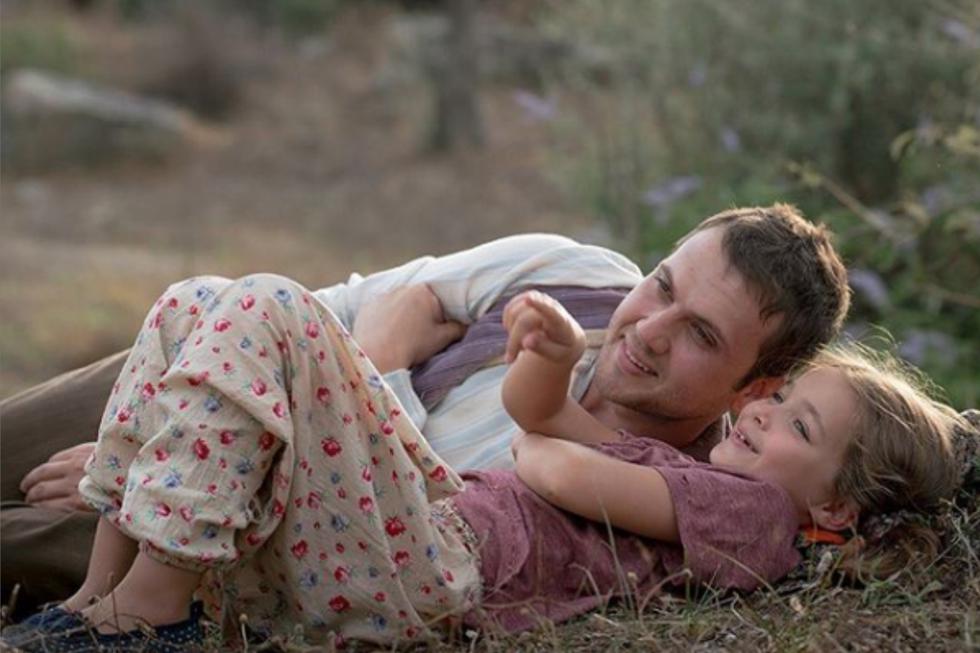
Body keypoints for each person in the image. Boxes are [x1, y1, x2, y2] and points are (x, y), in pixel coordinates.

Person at [2, 278, 968, 651]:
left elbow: (554, 466)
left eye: (794, 422)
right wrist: (548, 362)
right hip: (429, 534)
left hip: (440, 572)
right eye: (774, 401)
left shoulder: (757, 522)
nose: (760, 417)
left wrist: (546, 425)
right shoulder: (708, 485)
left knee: (268, 308)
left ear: (834, 509)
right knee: (198, 300)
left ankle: (155, 615)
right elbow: (543, 421)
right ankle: (100, 595)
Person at [1, 205, 850, 616]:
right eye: (663, 283)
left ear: (751, 389)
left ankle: (132, 615)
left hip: (261, 498)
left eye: (700, 333)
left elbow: (422, 500)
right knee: (195, 303)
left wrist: (201, 439)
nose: (648, 326)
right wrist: (181, 407)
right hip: (233, 368)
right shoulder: (579, 274)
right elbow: (370, 301)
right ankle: (98, 599)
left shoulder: (670, 484)